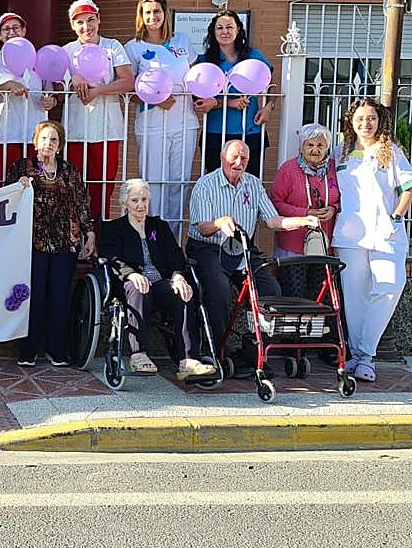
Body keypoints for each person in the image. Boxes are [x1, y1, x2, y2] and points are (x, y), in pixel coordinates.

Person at [186, 140, 320, 377]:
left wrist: (301, 221)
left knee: (270, 289)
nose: (238, 163)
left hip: (242, 248)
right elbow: (203, 228)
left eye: (244, 159)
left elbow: (272, 221)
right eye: (234, 158)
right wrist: (219, 223)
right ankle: (215, 351)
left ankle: (252, 350)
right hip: (208, 247)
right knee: (218, 289)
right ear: (221, 157)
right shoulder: (205, 185)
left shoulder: (253, 184)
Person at [99, 179, 216, 381]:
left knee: (184, 293)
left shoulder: (158, 227)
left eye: (144, 199)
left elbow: (175, 256)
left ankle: (188, 359)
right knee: (139, 288)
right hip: (130, 283)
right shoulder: (114, 229)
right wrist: (132, 274)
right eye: (135, 200)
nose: (140, 205)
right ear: (125, 203)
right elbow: (111, 258)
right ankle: (139, 354)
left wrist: (178, 275)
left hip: (159, 282)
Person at [333, 98, 412, 382]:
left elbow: (408, 188)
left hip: (386, 232)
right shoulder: (340, 153)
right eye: (360, 119)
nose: (366, 124)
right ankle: (360, 358)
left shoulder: (391, 152)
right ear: (351, 122)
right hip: (351, 234)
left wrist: (396, 216)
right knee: (354, 298)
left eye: (372, 118)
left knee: (391, 285)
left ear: (379, 122)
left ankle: (366, 352)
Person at [9, 121, 95, 368]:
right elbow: (7, 199)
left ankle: (57, 351)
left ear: (60, 146)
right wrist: (20, 187)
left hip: (64, 242)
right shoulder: (22, 168)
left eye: (53, 140)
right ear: (36, 142)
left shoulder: (69, 171)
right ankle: (28, 350)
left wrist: (89, 233)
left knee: (59, 297)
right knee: (33, 296)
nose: (48, 144)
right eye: (44, 139)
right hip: (31, 242)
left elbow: (81, 204)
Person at [124, 0, 198, 232]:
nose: (153, 16)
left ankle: (173, 243)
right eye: (147, 12)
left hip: (185, 123)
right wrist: (155, 100)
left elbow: (197, 77)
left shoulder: (182, 41)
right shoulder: (133, 48)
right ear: (140, 16)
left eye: (157, 11)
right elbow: (128, 90)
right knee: (153, 186)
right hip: (152, 125)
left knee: (179, 184)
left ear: (165, 13)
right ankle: (152, 241)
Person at [62, 0, 134, 222]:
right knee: (74, 184)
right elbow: (53, 85)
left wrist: (99, 90)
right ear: (73, 26)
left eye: (91, 20)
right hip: (75, 128)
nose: (86, 27)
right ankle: (75, 238)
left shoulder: (112, 46)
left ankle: (99, 238)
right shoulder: (66, 51)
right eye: (80, 22)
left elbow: (128, 81)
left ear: (99, 19)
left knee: (103, 185)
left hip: (107, 128)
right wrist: (71, 77)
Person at [194, 9, 273, 176]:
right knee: (216, 183)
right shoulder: (204, 61)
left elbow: (271, 85)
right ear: (213, 32)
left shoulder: (254, 56)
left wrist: (268, 107)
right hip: (215, 132)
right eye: (219, 28)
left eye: (229, 27)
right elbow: (199, 101)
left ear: (238, 30)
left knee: (250, 182)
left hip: (250, 131)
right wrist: (227, 103)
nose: (225, 32)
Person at [0, 11, 56, 185]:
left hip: (35, 135)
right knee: (6, 182)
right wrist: (6, 86)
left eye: (15, 27)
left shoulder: (38, 59)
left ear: (24, 31)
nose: (11, 32)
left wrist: (51, 101)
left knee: (37, 182)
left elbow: (50, 93)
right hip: (3, 134)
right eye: (6, 29)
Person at [270, 123, 339, 260]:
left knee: (322, 282)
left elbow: (343, 197)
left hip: (325, 244)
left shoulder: (334, 168)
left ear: (327, 148)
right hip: (292, 245)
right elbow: (276, 203)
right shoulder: (288, 169)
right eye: (310, 145)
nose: (315, 150)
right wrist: (305, 214)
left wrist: (333, 208)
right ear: (301, 147)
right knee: (293, 282)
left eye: (320, 145)